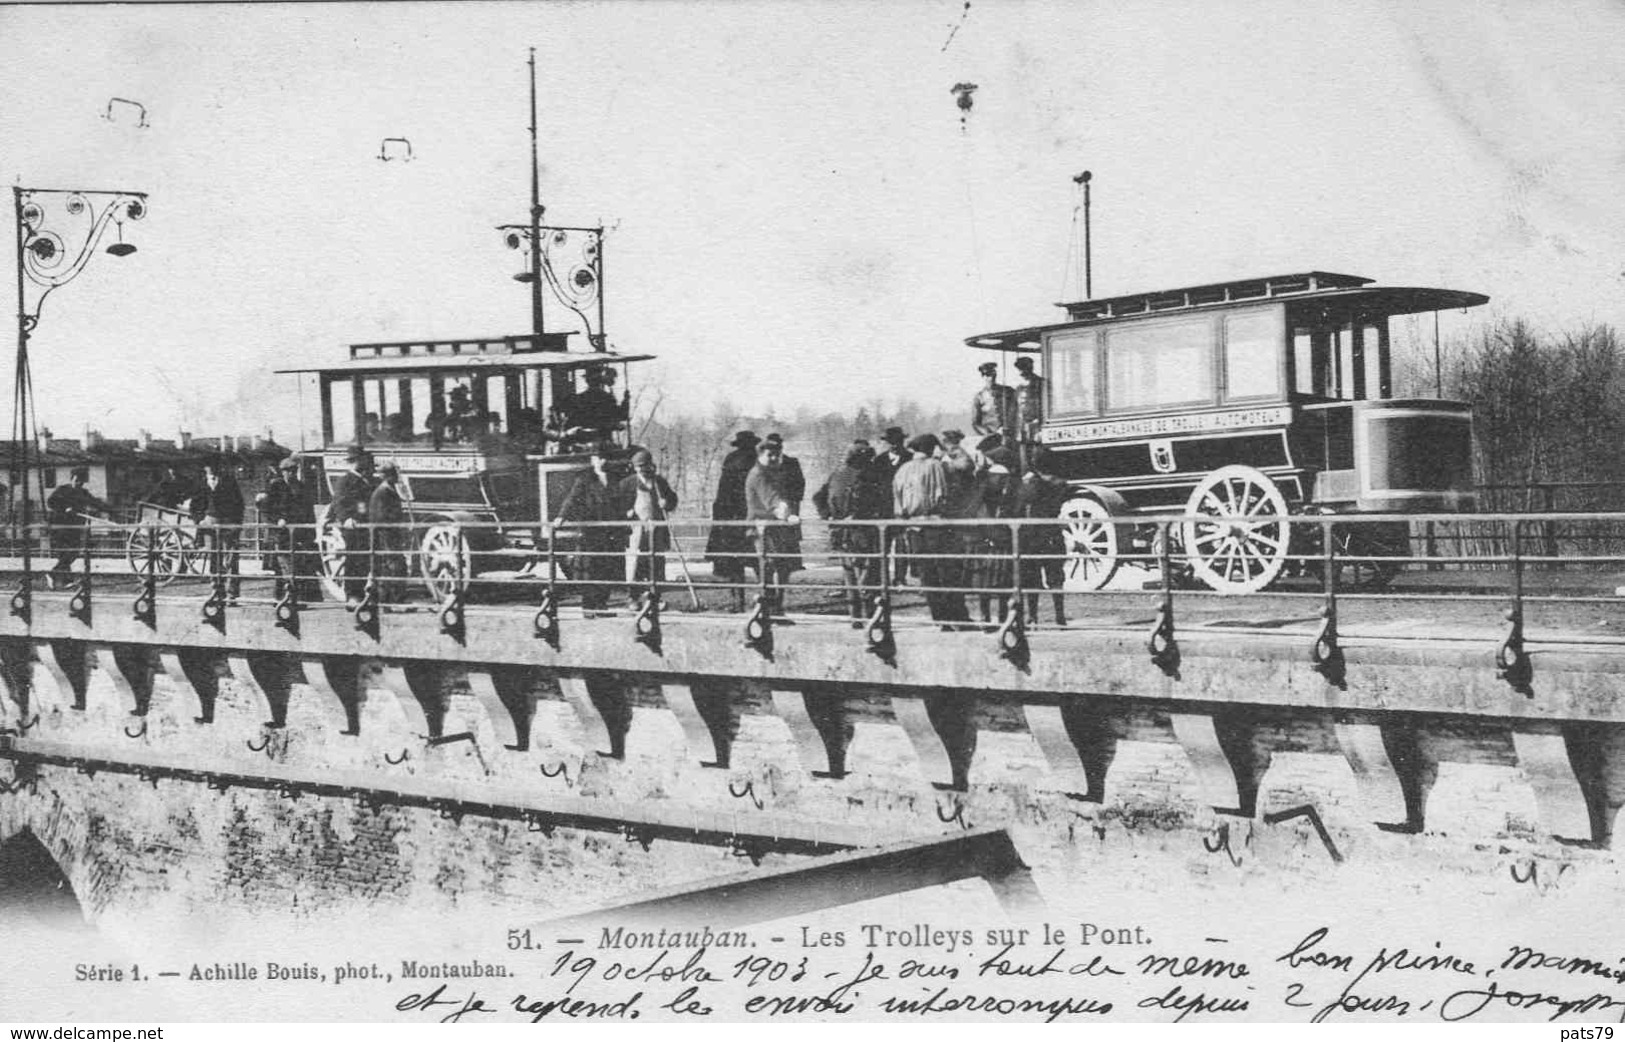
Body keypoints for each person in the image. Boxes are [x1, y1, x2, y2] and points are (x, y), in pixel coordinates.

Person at [892, 433, 969, 624]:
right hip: (937, 524)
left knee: (927, 574)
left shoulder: (903, 469)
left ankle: (939, 617)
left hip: (913, 527)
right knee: (947, 571)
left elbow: (897, 500)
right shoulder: (937, 466)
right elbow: (959, 473)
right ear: (931, 448)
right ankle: (958, 617)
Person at [813, 440, 884, 625]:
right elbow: (867, 503)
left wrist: (828, 516)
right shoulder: (866, 476)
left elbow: (817, 497)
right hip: (862, 532)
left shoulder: (837, 474)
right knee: (867, 574)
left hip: (840, 533)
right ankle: (869, 616)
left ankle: (855, 617)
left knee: (850, 575)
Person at [554, 443, 624, 612]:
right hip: (591, 531)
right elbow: (572, 499)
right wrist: (561, 516)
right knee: (589, 568)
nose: (603, 461)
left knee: (607, 567)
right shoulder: (584, 479)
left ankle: (602, 605)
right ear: (593, 460)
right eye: (599, 458)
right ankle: (588, 606)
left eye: (605, 458)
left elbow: (621, 500)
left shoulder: (615, 478)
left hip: (610, 531)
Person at [704, 430, 760, 611]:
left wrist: (720, 516)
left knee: (736, 562)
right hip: (751, 515)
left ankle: (738, 602)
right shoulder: (758, 461)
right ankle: (767, 601)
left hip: (731, 517)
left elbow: (723, 494)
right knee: (760, 560)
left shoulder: (730, 461)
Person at [745, 438, 802, 615]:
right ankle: (769, 610)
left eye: (777, 454)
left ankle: (775, 608)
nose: (774, 458)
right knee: (769, 569)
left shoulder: (775, 473)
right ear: (761, 455)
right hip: (764, 528)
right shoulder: (758, 475)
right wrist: (785, 512)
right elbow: (771, 499)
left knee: (782, 568)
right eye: (770, 455)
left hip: (778, 527)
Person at [1016, 447, 1070, 627]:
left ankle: (1032, 616)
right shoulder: (1060, 484)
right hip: (1052, 534)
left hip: (1033, 535)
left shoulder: (1032, 482)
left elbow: (1025, 500)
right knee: (1056, 578)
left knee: (1032, 578)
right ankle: (1060, 616)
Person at [616, 449, 677, 608]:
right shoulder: (627, 483)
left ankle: (655, 598)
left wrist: (667, 503)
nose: (642, 469)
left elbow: (672, 499)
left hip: (656, 528)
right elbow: (616, 505)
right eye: (638, 467)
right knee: (635, 562)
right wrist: (626, 512)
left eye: (645, 466)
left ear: (651, 466)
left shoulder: (659, 482)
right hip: (636, 530)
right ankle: (633, 598)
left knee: (656, 562)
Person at [968, 445, 1021, 624]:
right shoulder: (1012, 480)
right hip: (1003, 536)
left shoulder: (983, 480)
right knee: (1004, 581)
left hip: (985, 536)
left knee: (985, 580)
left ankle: (985, 617)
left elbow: (976, 508)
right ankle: (1003, 617)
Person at [255, 457, 316, 601]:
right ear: (282, 472)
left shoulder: (301, 487)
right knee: (282, 566)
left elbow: (308, 509)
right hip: (279, 533)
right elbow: (265, 508)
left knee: (298, 565)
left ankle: (295, 597)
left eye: (294, 470)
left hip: (298, 532)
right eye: (288, 471)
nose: (291, 474)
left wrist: (311, 530)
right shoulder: (274, 486)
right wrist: (277, 520)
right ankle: (282, 598)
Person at [192, 457, 245, 603]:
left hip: (228, 522)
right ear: (205, 469)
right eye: (209, 466)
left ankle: (232, 594)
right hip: (210, 522)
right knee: (214, 558)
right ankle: (217, 591)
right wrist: (199, 520)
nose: (212, 469)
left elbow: (239, 503)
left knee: (231, 557)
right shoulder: (201, 484)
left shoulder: (229, 481)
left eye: (215, 466)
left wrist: (237, 524)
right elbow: (195, 506)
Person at [46, 468, 106, 589]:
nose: (78, 483)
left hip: (75, 527)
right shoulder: (62, 490)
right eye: (77, 480)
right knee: (69, 553)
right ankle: (54, 574)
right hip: (61, 526)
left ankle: (64, 580)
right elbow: (51, 502)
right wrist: (65, 508)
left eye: (81, 482)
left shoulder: (83, 493)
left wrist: (111, 510)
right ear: (72, 478)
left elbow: (95, 502)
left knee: (72, 553)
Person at [332, 445, 376, 602]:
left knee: (364, 561)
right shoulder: (345, 481)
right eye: (357, 460)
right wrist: (346, 519)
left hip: (366, 526)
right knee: (354, 559)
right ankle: (352, 595)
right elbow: (338, 503)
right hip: (353, 527)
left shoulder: (368, 481)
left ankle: (363, 594)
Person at [869, 426, 909, 583]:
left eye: (897, 442)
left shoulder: (910, 459)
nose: (894, 445)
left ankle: (900, 579)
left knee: (902, 547)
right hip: (884, 511)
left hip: (903, 511)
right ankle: (883, 580)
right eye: (891, 442)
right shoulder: (879, 461)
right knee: (882, 547)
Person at [556, 365, 627, 450]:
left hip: (586, 443)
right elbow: (621, 416)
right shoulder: (607, 399)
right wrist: (626, 401)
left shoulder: (578, 399)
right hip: (600, 444)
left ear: (586, 381)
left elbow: (620, 417)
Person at [763, 433, 805, 574]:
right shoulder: (763, 464)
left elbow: (799, 484)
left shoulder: (791, 462)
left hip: (787, 503)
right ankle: (773, 561)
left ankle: (793, 562)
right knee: (772, 535)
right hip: (770, 506)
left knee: (788, 534)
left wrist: (792, 502)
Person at [368, 460, 409, 602]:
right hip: (385, 535)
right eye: (394, 474)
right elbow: (380, 516)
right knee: (392, 566)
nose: (397, 477)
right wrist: (396, 520)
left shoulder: (389, 491)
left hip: (390, 534)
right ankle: (393, 599)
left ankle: (394, 598)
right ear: (387, 476)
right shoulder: (382, 492)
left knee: (395, 565)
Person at [971, 361, 1019, 443]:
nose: (991, 378)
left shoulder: (1008, 392)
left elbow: (1017, 411)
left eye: (993, 375)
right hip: (991, 438)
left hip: (1009, 435)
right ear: (983, 377)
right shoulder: (979, 397)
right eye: (988, 375)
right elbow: (975, 423)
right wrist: (988, 433)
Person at [1014, 355, 1045, 446]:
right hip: (1022, 428)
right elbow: (1016, 409)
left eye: (1024, 369)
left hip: (1037, 427)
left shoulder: (1040, 384)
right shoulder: (1019, 388)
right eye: (1020, 369)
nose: (1021, 373)